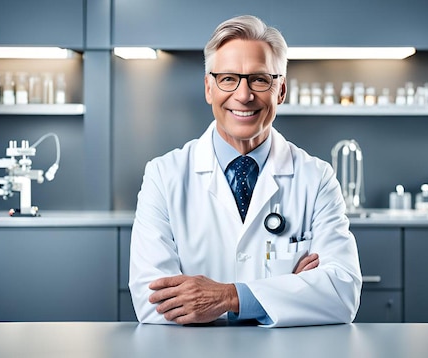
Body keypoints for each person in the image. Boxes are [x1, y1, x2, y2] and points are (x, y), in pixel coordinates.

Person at [129, 15, 362, 328]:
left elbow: (342, 293)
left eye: (260, 79)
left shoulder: (316, 178)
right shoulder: (163, 175)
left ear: (280, 90)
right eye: (228, 79)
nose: (243, 95)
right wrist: (289, 291)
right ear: (209, 88)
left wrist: (228, 297)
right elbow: (153, 302)